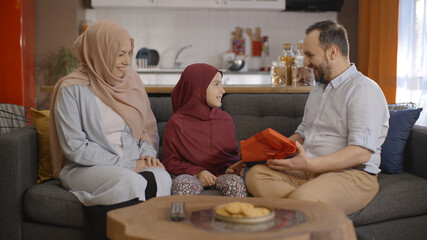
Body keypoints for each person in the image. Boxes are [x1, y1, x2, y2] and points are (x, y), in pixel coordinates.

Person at [245, 20, 389, 215]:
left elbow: (361, 153)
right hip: (310, 171)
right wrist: (260, 154)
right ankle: (303, 211)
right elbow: (303, 133)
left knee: (302, 199)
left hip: (353, 175)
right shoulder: (319, 89)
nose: (305, 63)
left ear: (333, 52)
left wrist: (309, 164)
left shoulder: (363, 89)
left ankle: (300, 207)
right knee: (256, 175)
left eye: (310, 55)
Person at [49, 19, 172, 239]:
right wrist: (126, 164)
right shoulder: (71, 88)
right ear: (100, 52)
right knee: (129, 181)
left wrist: (147, 154)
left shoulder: (132, 81)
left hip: (133, 160)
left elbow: (145, 128)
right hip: (85, 167)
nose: (127, 62)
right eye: (120, 54)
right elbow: (75, 147)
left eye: (129, 53)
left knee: (162, 178)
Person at [162, 63, 247, 197]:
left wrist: (232, 168)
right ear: (198, 88)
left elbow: (230, 155)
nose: (223, 90)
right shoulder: (177, 122)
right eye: (216, 84)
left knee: (235, 183)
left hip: (221, 174)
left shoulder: (225, 120)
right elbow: (170, 162)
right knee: (183, 184)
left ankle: (234, 218)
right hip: (190, 175)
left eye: (221, 84)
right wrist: (198, 172)